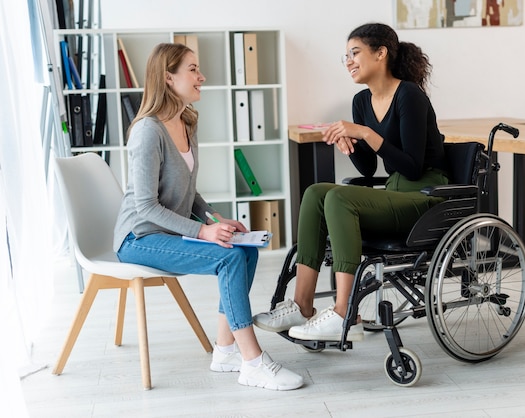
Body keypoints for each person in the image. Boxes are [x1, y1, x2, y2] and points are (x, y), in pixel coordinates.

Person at [113, 43, 303, 391]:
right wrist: (203, 232)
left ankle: (226, 351)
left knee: (244, 250)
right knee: (229, 258)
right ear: (168, 78)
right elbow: (145, 207)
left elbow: (189, 193)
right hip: (139, 238)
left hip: (167, 232)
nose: (202, 76)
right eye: (193, 69)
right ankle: (253, 362)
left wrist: (218, 220)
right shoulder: (147, 131)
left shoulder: (186, 122)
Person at [253, 23, 448, 341]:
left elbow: (412, 167)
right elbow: (369, 168)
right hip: (395, 194)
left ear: (381, 53)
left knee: (340, 198)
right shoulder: (361, 101)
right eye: (345, 56)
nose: (349, 61)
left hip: (426, 196)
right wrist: (350, 144)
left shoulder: (409, 95)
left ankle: (345, 311)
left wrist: (365, 133)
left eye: (355, 53)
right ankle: (303, 305)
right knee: (317, 192)